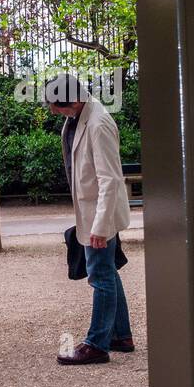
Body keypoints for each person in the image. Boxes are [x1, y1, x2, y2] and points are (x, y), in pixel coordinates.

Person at [44, 73, 134, 365]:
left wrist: (100, 226)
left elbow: (110, 179)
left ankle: (97, 344)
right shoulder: (77, 118)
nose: (53, 111)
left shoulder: (98, 124)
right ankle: (121, 335)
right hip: (92, 210)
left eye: (56, 105)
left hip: (99, 213)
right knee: (107, 270)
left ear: (73, 100)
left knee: (100, 275)